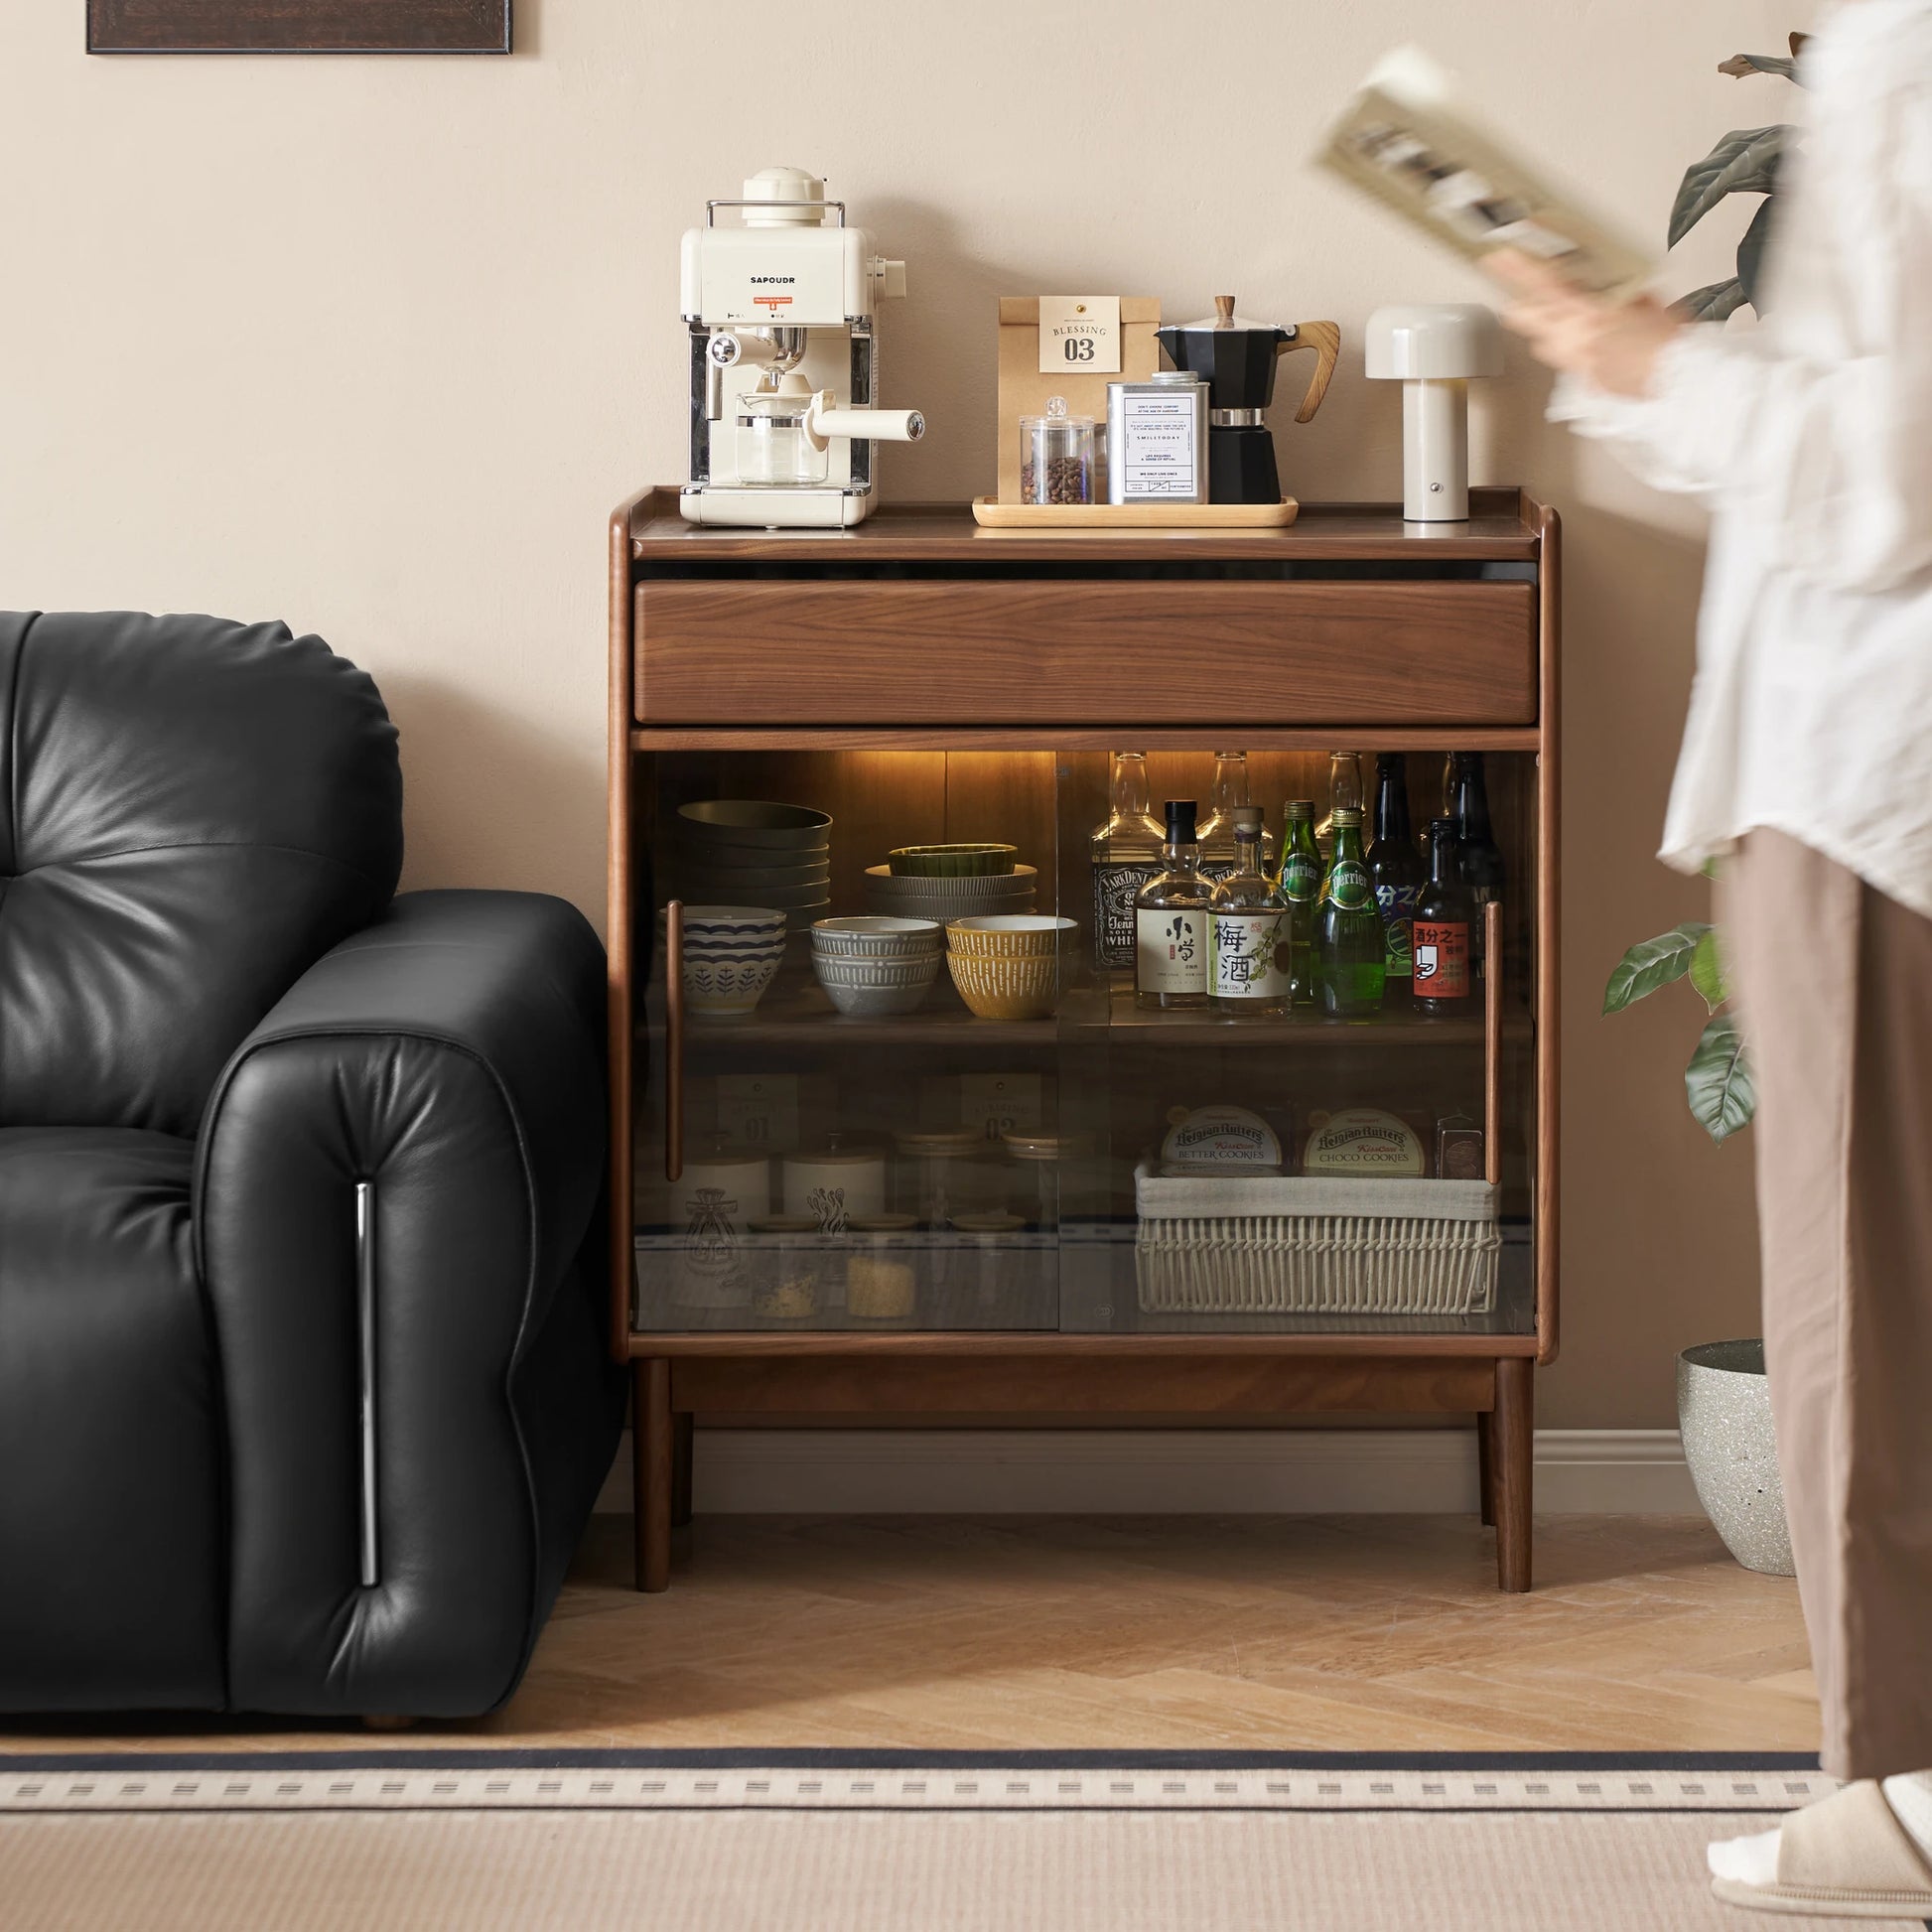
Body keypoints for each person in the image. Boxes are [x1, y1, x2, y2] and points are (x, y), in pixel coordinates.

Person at [1488, 0, 1932, 1917]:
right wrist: (1637, 368)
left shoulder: (1905, 59)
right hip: (1867, 759)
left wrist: (1641, 357)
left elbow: (1887, 478)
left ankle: (1895, 1789)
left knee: (1861, 1293)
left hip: (1872, 773)